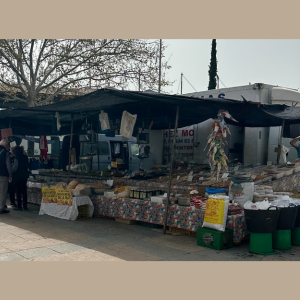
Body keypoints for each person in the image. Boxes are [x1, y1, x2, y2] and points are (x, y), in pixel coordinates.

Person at [12, 146, 29, 211]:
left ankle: (19, 206)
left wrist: (11, 170)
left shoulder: (16, 158)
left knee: (18, 191)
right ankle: (25, 206)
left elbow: (15, 168)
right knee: (24, 191)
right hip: (24, 175)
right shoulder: (25, 157)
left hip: (18, 176)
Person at [0, 139, 13, 214]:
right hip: (3, 175)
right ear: (5, 145)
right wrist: (10, 175)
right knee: (3, 192)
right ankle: (1, 208)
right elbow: (8, 165)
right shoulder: (5, 153)